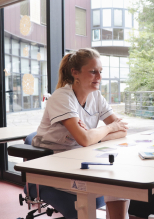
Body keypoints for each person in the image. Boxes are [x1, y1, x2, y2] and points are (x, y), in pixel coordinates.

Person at [30, 48, 130, 219]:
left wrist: (93, 136)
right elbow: (86, 138)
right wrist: (106, 129)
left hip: (81, 158)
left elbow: (122, 130)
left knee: (119, 181)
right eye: (92, 72)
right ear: (75, 73)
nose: (99, 77)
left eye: (100, 72)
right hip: (54, 164)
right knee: (112, 184)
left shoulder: (96, 96)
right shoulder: (62, 97)